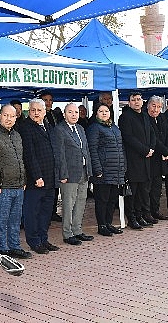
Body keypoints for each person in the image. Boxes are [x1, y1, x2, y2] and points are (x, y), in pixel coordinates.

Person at [0, 104, 31, 259]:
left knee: (15, 220)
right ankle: (2, 250)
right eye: (6, 115)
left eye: (12, 116)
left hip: (18, 186)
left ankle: (15, 246)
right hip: (2, 188)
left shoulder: (17, 135)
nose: (9, 119)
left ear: (16, 117)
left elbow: (21, 160)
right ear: (0, 116)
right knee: (2, 221)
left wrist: (23, 180)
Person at [19, 98, 61, 253]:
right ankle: (34, 242)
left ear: (44, 112)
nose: (36, 113)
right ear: (28, 112)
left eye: (39, 110)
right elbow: (29, 155)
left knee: (46, 212)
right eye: (32, 110)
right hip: (36, 180)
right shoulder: (25, 127)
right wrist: (37, 177)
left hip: (50, 179)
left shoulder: (48, 126)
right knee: (32, 212)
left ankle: (44, 239)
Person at [55, 103, 95, 240]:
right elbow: (59, 154)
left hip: (83, 172)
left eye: (76, 112)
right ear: (65, 114)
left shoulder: (80, 129)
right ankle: (67, 233)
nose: (74, 115)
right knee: (68, 204)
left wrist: (89, 169)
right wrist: (63, 174)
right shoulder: (59, 130)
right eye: (70, 112)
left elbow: (86, 150)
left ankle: (77, 230)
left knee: (81, 203)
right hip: (69, 174)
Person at [118, 92, 156, 229]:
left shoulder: (145, 116)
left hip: (146, 160)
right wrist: (145, 150)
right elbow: (128, 138)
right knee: (132, 193)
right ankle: (132, 218)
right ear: (129, 102)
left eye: (138, 99)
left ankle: (140, 216)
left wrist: (151, 148)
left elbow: (152, 134)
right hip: (134, 160)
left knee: (142, 191)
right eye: (133, 100)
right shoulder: (125, 117)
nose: (136, 102)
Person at [87, 103, 125, 236]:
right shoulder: (94, 128)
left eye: (106, 111)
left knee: (112, 200)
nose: (104, 113)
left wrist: (123, 167)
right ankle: (102, 225)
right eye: (101, 111)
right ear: (96, 113)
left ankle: (109, 223)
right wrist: (97, 169)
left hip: (116, 171)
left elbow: (121, 148)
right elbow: (92, 150)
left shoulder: (114, 128)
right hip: (102, 171)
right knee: (102, 200)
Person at [145, 96, 168, 221]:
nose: (156, 109)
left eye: (159, 107)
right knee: (148, 188)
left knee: (157, 188)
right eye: (154, 106)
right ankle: (147, 213)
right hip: (150, 158)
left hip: (161, 158)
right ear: (148, 105)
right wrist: (165, 150)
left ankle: (155, 211)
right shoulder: (145, 118)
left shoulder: (161, 118)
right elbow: (153, 138)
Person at [40, 91, 63, 222]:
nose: (48, 102)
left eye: (49, 100)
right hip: (45, 155)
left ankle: (53, 211)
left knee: (55, 186)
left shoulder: (54, 115)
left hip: (56, 153)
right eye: (45, 100)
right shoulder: (39, 116)